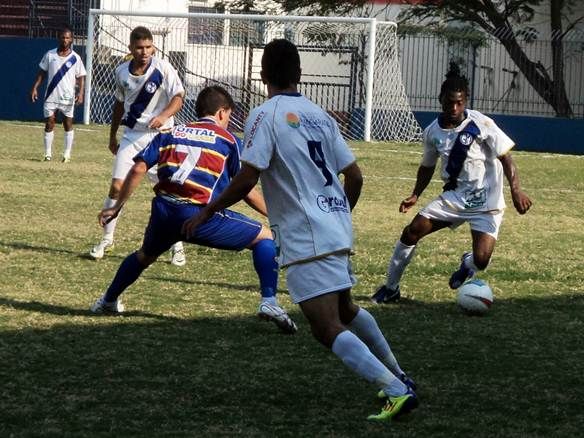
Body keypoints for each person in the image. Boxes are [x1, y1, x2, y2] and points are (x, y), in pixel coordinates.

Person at [182, 39, 418, 422]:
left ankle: (395, 388)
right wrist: (339, 213)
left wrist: (208, 210)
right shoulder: (320, 115)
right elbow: (354, 176)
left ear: (262, 76)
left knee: (325, 327)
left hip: (306, 235)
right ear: (299, 74)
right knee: (346, 308)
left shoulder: (264, 115)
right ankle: (400, 375)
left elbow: (246, 178)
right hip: (335, 226)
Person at [90, 85, 297, 335]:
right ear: (222, 112)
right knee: (264, 237)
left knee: (145, 255)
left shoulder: (172, 132)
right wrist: (276, 216)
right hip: (199, 216)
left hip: (165, 212)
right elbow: (244, 188)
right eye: (229, 115)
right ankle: (269, 301)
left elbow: (137, 169)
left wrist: (116, 207)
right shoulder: (229, 141)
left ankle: (108, 300)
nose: (229, 120)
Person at [372, 63, 532, 304]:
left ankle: (467, 263)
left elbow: (506, 158)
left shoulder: (481, 124)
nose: (455, 108)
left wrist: (516, 190)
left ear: (466, 101)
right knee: (411, 231)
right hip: (455, 199)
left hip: (487, 203)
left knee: (481, 261)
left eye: (460, 103)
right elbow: (427, 167)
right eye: (450, 102)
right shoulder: (432, 132)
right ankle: (391, 287)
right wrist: (415, 194)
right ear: (441, 100)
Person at [89, 26, 187, 267]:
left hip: (161, 137)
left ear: (153, 47)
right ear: (131, 48)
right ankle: (107, 239)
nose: (144, 52)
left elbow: (179, 97)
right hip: (133, 136)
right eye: (139, 48)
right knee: (116, 187)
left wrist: (163, 116)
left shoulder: (163, 68)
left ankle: (177, 246)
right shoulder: (121, 72)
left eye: (148, 47)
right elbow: (119, 105)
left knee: (168, 193)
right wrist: (113, 136)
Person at [30, 26, 86, 163]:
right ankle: (47, 154)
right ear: (58, 38)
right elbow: (42, 73)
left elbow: (81, 77)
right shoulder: (50, 55)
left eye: (68, 38)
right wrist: (35, 88)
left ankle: (66, 154)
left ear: (72, 39)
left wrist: (81, 93)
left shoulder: (75, 58)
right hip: (51, 95)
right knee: (49, 122)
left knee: (67, 123)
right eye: (63, 37)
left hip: (67, 96)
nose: (65, 40)